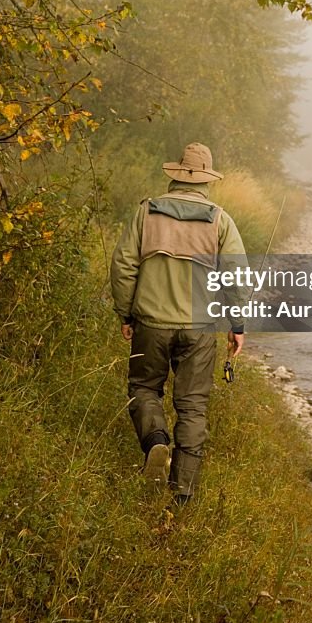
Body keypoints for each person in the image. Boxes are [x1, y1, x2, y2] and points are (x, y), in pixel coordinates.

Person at [110, 142, 246, 505]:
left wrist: (126, 313)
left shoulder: (146, 212)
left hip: (150, 323)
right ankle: (182, 493)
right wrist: (237, 324)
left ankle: (156, 441)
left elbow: (123, 265)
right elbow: (236, 277)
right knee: (192, 407)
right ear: (206, 180)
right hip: (200, 328)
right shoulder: (221, 219)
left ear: (177, 175)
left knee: (143, 388)